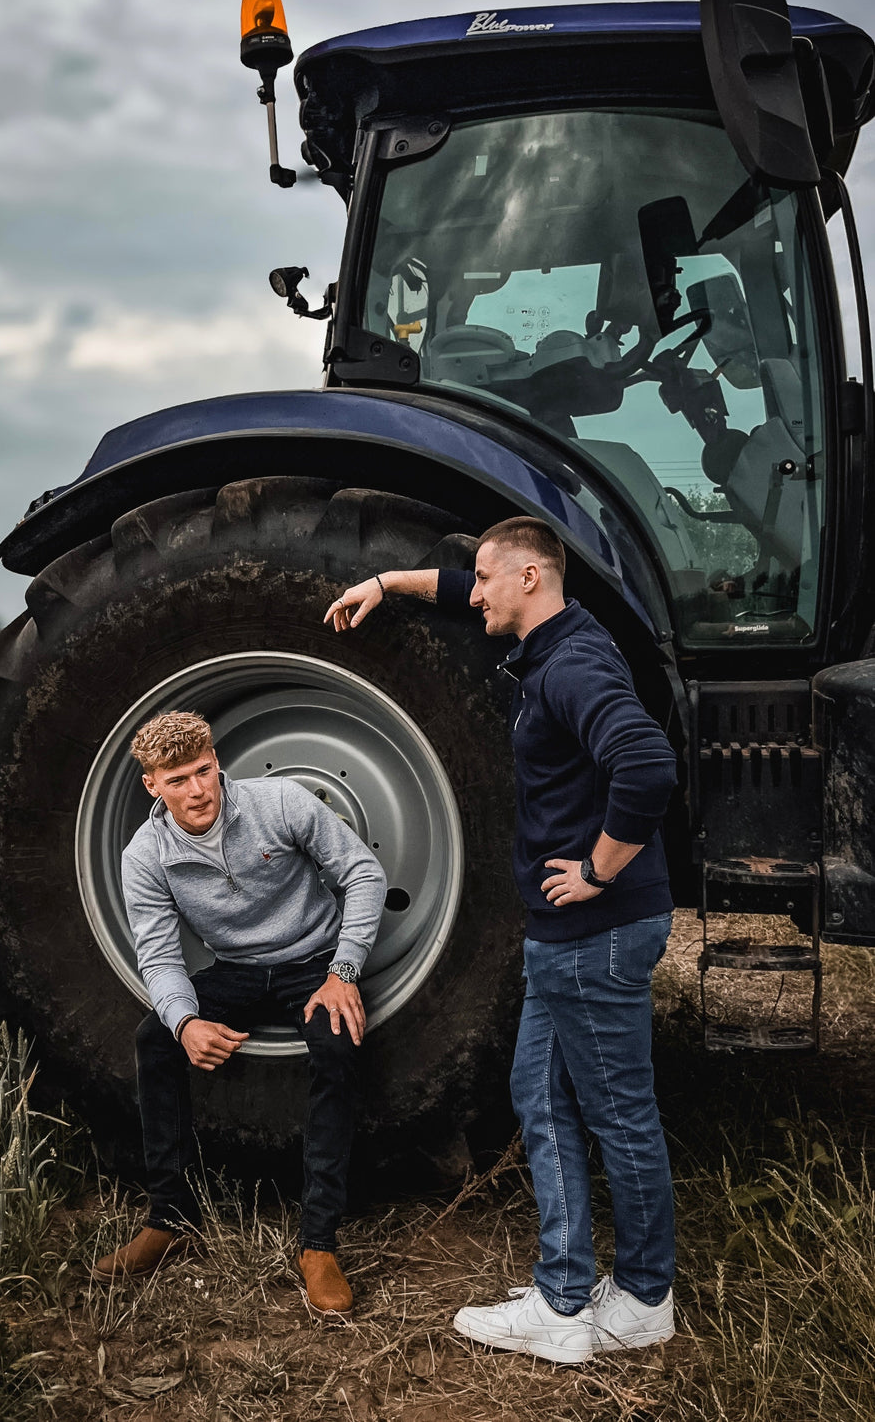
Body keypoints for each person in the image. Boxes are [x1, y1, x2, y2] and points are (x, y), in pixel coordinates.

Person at [326, 517, 678, 1363]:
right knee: (543, 1098)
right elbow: (458, 593)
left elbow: (647, 763)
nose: (473, 591)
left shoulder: (572, 665)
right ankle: (591, 1292)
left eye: (486, 579)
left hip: (594, 929)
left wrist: (596, 868)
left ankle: (622, 1300)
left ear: (529, 577)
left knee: (616, 1115)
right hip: (574, 935)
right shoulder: (561, 629)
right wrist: (387, 585)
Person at [93, 710, 387, 1315]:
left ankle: (318, 1243)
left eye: (204, 771)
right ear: (152, 786)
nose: (198, 790)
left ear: (217, 759)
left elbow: (363, 872)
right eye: (178, 781)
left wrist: (344, 970)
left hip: (315, 957)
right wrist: (184, 1021)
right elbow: (158, 955)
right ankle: (169, 1217)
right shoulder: (144, 855)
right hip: (236, 970)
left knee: (336, 1043)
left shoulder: (279, 802)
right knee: (155, 1039)